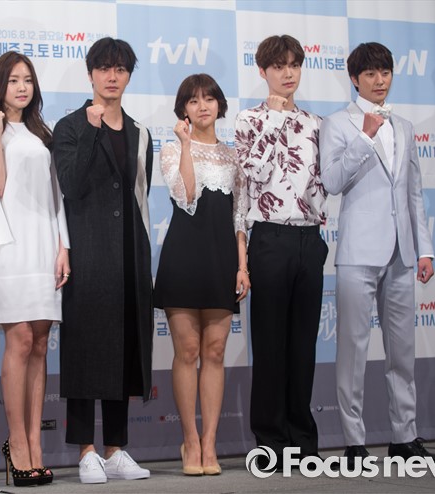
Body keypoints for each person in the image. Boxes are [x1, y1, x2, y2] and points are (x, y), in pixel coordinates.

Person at [319, 41, 435, 469]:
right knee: (353, 350)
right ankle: (354, 442)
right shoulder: (337, 124)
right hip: (358, 251)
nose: (379, 81)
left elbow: (414, 193)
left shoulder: (405, 126)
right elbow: (332, 182)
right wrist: (365, 136)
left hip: (402, 253)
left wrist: (424, 249)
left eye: (385, 72)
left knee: (402, 352)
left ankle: (404, 437)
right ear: (355, 79)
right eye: (370, 74)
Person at [52, 37, 153, 484]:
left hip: (129, 253)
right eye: (105, 68)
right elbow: (70, 185)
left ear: (128, 75)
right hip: (87, 252)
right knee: (85, 351)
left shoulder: (139, 131)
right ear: (90, 73)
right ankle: (85, 450)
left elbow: (139, 196)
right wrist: (93, 130)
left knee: (123, 350)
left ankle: (115, 448)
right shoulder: (70, 126)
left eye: (121, 69)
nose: (113, 77)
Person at [0, 51, 70, 487]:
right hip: (7, 244)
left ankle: (35, 445)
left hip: (44, 243)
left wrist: (64, 246)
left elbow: (55, 195)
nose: (22, 87)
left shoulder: (42, 132)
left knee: (41, 342)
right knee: (21, 338)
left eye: (27, 79)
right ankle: (16, 444)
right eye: (13, 80)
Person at [234, 35, 328, 470]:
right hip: (270, 238)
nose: (288, 74)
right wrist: (274, 119)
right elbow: (255, 171)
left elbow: (323, 182)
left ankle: (302, 441)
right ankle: (270, 443)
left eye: (294, 65)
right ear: (263, 71)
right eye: (278, 66)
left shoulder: (316, 123)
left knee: (302, 347)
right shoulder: (250, 119)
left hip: (309, 239)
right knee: (270, 346)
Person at [153, 74, 249, 476]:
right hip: (183, 258)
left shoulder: (234, 156)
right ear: (184, 110)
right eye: (193, 101)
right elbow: (186, 196)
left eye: (209, 98)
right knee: (188, 351)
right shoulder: (172, 149)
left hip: (222, 259)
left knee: (215, 351)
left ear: (219, 105)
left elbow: (240, 216)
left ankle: (210, 443)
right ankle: (189, 441)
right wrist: (188, 145)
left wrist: (242, 266)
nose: (203, 106)